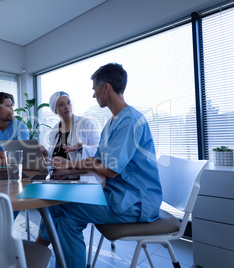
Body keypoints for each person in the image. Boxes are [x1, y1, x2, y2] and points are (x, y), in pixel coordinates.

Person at [36, 63, 162, 267]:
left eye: (95, 90)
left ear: (106, 88)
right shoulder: (114, 121)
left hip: (134, 202)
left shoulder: (129, 120)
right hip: (116, 194)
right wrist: (72, 165)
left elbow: (109, 169)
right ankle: (48, 254)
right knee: (62, 213)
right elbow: (97, 160)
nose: (94, 96)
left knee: (63, 208)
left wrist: (72, 165)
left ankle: (40, 249)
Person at [43, 91, 100, 162]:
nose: (66, 107)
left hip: (80, 171)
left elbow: (98, 151)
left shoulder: (87, 124)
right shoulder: (54, 131)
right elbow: (52, 157)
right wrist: (44, 152)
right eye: (61, 105)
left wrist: (81, 148)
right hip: (57, 172)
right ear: (55, 110)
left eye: (68, 102)